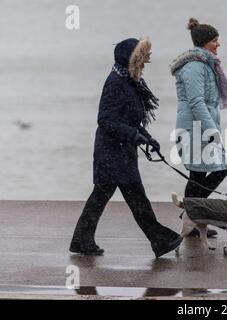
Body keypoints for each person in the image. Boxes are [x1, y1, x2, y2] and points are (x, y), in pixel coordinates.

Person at [70, 37, 182, 258]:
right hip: (111, 154)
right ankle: (159, 239)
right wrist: (135, 136)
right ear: (132, 58)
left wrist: (146, 137)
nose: (147, 61)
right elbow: (105, 119)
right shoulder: (115, 82)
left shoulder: (129, 81)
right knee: (134, 198)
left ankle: (82, 240)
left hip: (120, 153)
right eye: (144, 56)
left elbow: (130, 119)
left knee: (108, 198)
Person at [170, 18, 227, 237]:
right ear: (204, 43)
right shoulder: (194, 67)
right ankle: (192, 218)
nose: (218, 44)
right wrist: (211, 130)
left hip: (202, 126)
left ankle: (190, 218)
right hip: (194, 129)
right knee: (203, 174)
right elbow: (196, 102)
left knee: (203, 174)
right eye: (215, 41)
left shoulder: (205, 63)